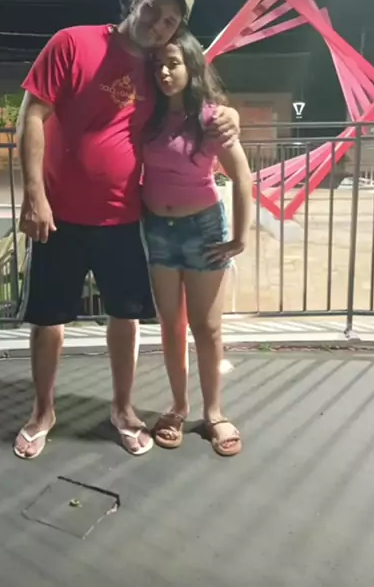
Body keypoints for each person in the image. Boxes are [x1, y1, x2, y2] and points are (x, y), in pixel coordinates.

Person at [13, 0, 241, 459]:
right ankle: (42, 413)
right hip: (59, 214)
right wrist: (34, 195)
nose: (158, 24)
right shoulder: (72, 43)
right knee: (49, 321)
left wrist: (231, 115)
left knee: (125, 316)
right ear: (138, 0)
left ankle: (123, 409)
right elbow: (31, 115)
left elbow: (195, 101)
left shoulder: (158, 69)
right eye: (154, 9)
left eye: (170, 22)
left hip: (123, 217)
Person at [142, 28, 252, 456]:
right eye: (158, 65)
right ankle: (178, 406)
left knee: (206, 327)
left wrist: (239, 237)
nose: (164, 72)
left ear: (191, 66)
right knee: (171, 325)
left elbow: (242, 177)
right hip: (158, 230)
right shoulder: (148, 115)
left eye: (173, 64)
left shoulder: (210, 118)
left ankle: (214, 413)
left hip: (202, 229)